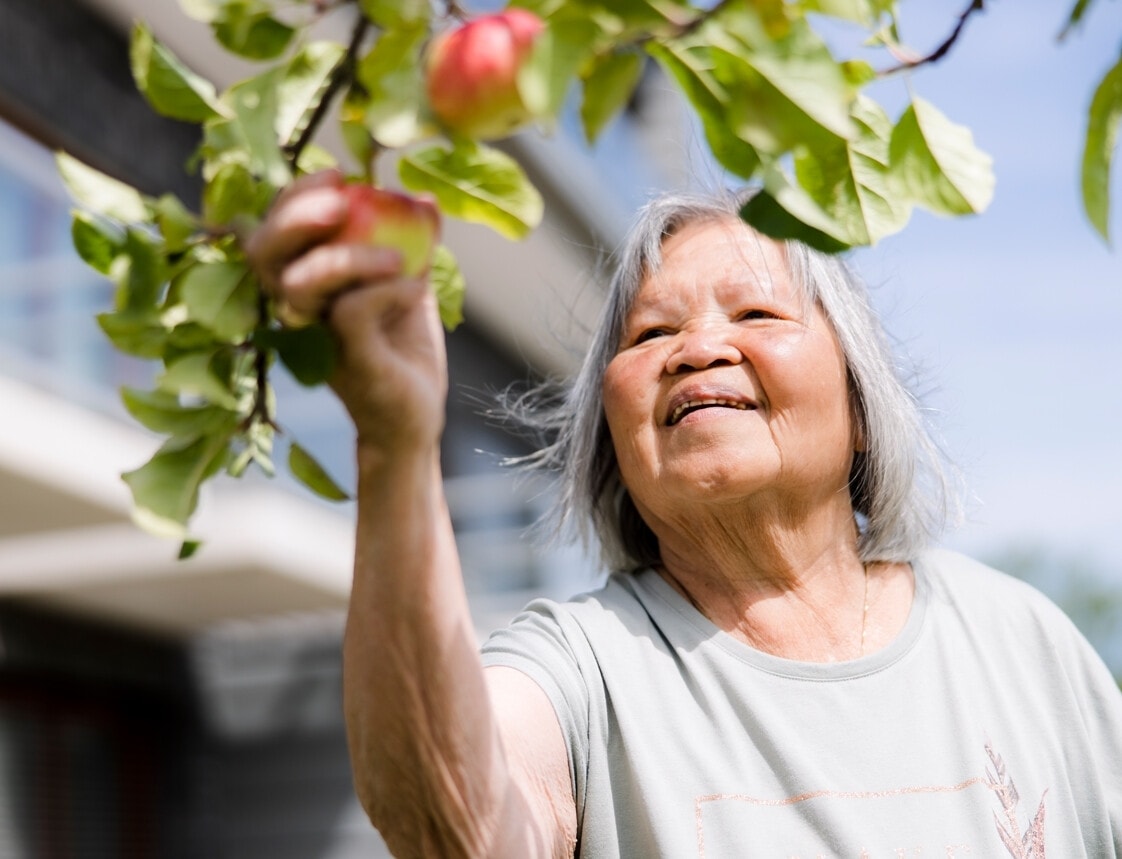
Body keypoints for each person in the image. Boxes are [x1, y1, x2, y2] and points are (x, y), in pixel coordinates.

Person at [247, 171, 1122, 858]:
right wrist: (397, 444)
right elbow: (453, 824)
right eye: (651, 333)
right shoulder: (582, 668)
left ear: (861, 406)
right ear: (612, 438)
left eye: (757, 312)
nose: (698, 348)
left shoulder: (1017, 638)